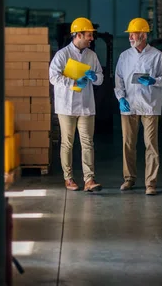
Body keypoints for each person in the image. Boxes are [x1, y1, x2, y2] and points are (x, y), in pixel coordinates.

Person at [114, 17, 162, 196]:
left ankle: (150, 183)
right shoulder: (124, 56)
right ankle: (129, 178)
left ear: (144, 35)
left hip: (149, 106)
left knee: (151, 145)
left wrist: (154, 80)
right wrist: (120, 98)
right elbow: (119, 80)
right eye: (130, 34)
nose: (131, 37)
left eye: (134, 33)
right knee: (128, 143)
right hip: (129, 106)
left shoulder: (156, 55)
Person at [49, 17, 104, 192]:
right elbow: (53, 77)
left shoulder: (91, 55)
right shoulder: (62, 55)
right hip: (66, 106)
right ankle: (69, 178)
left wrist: (95, 78)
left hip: (86, 106)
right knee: (68, 143)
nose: (91, 38)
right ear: (78, 34)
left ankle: (89, 179)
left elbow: (100, 77)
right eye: (89, 35)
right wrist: (73, 82)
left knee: (87, 143)